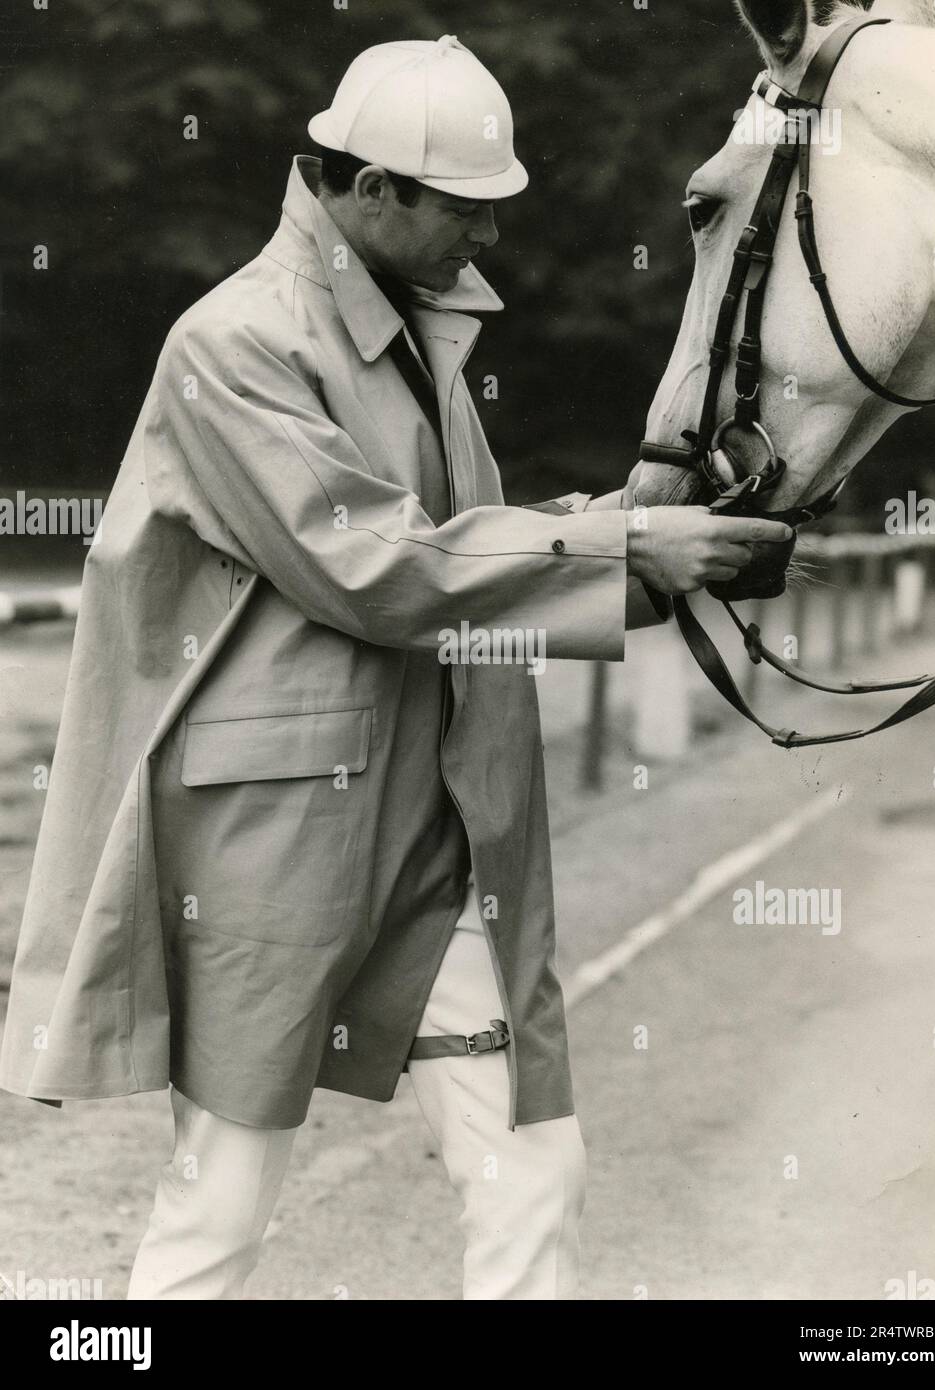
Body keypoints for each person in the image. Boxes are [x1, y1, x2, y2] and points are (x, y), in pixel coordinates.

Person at [0, 34, 790, 1300]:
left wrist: (653, 559)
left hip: (437, 833)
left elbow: (456, 549)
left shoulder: (416, 331)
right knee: (222, 1209)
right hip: (274, 846)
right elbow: (376, 568)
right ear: (373, 191)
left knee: (534, 1163)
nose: (490, 240)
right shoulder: (235, 343)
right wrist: (630, 544)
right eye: (469, 213)